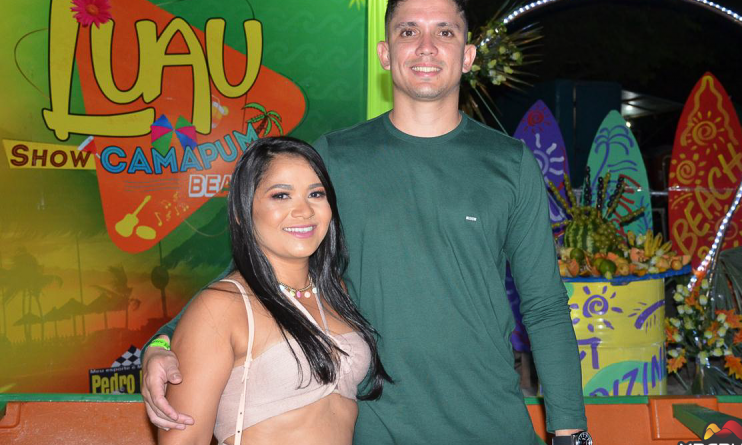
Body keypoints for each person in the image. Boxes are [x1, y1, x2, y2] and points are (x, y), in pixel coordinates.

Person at [144, 0, 589, 443]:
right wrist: (163, 342)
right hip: (378, 427)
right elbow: (258, 267)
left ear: (467, 55)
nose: (427, 46)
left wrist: (570, 433)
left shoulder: (510, 163)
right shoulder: (335, 157)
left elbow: (545, 306)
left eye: (445, 32)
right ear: (385, 53)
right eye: (409, 31)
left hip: (493, 423)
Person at [157, 137, 390, 445]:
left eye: (316, 194)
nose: (304, 211)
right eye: (281, 195)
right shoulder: (222, 305)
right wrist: (155, 347)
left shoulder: (337, 292)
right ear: (242, 211)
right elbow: (184, 441)